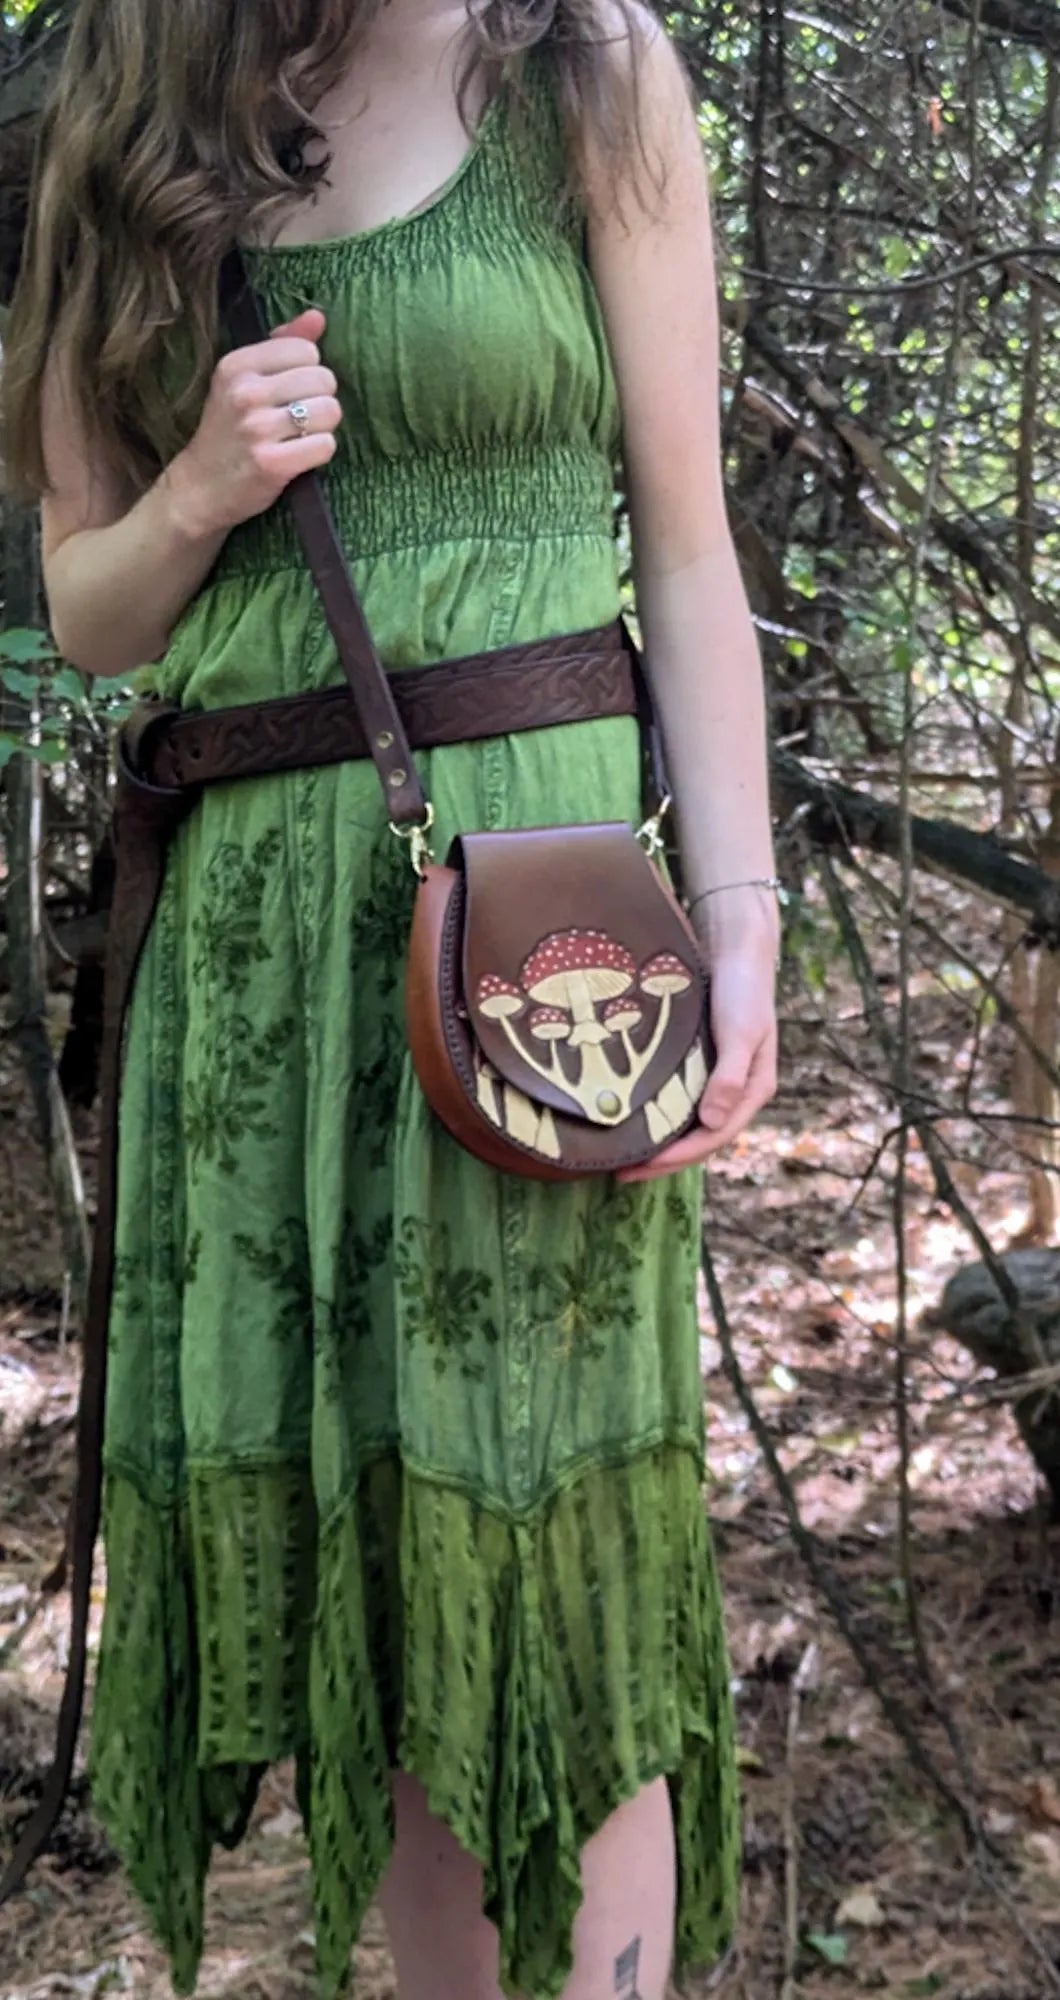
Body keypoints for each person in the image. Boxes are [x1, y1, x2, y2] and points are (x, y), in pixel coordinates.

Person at [0, 2, 779, 1996]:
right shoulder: (120, 101)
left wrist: (740, 909)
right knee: (384, 1572)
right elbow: (87, 602)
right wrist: (195, 489)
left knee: (550, 1568)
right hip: (254, 952)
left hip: (541, 938)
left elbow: (683, 543)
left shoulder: (585, 68)